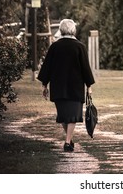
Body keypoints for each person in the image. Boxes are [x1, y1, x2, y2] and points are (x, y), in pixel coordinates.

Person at [37, 19, 95, 152]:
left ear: (61, 30)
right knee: (72, 116)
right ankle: (68, 141)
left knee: (64, 115)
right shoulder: (79, 46)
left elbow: (47, 67)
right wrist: (89, 86)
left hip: (58, 87)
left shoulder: (55, 46)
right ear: (73, 30)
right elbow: (85, 68)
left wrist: (44, 85)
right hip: (75, 87)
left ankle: (68, 141)